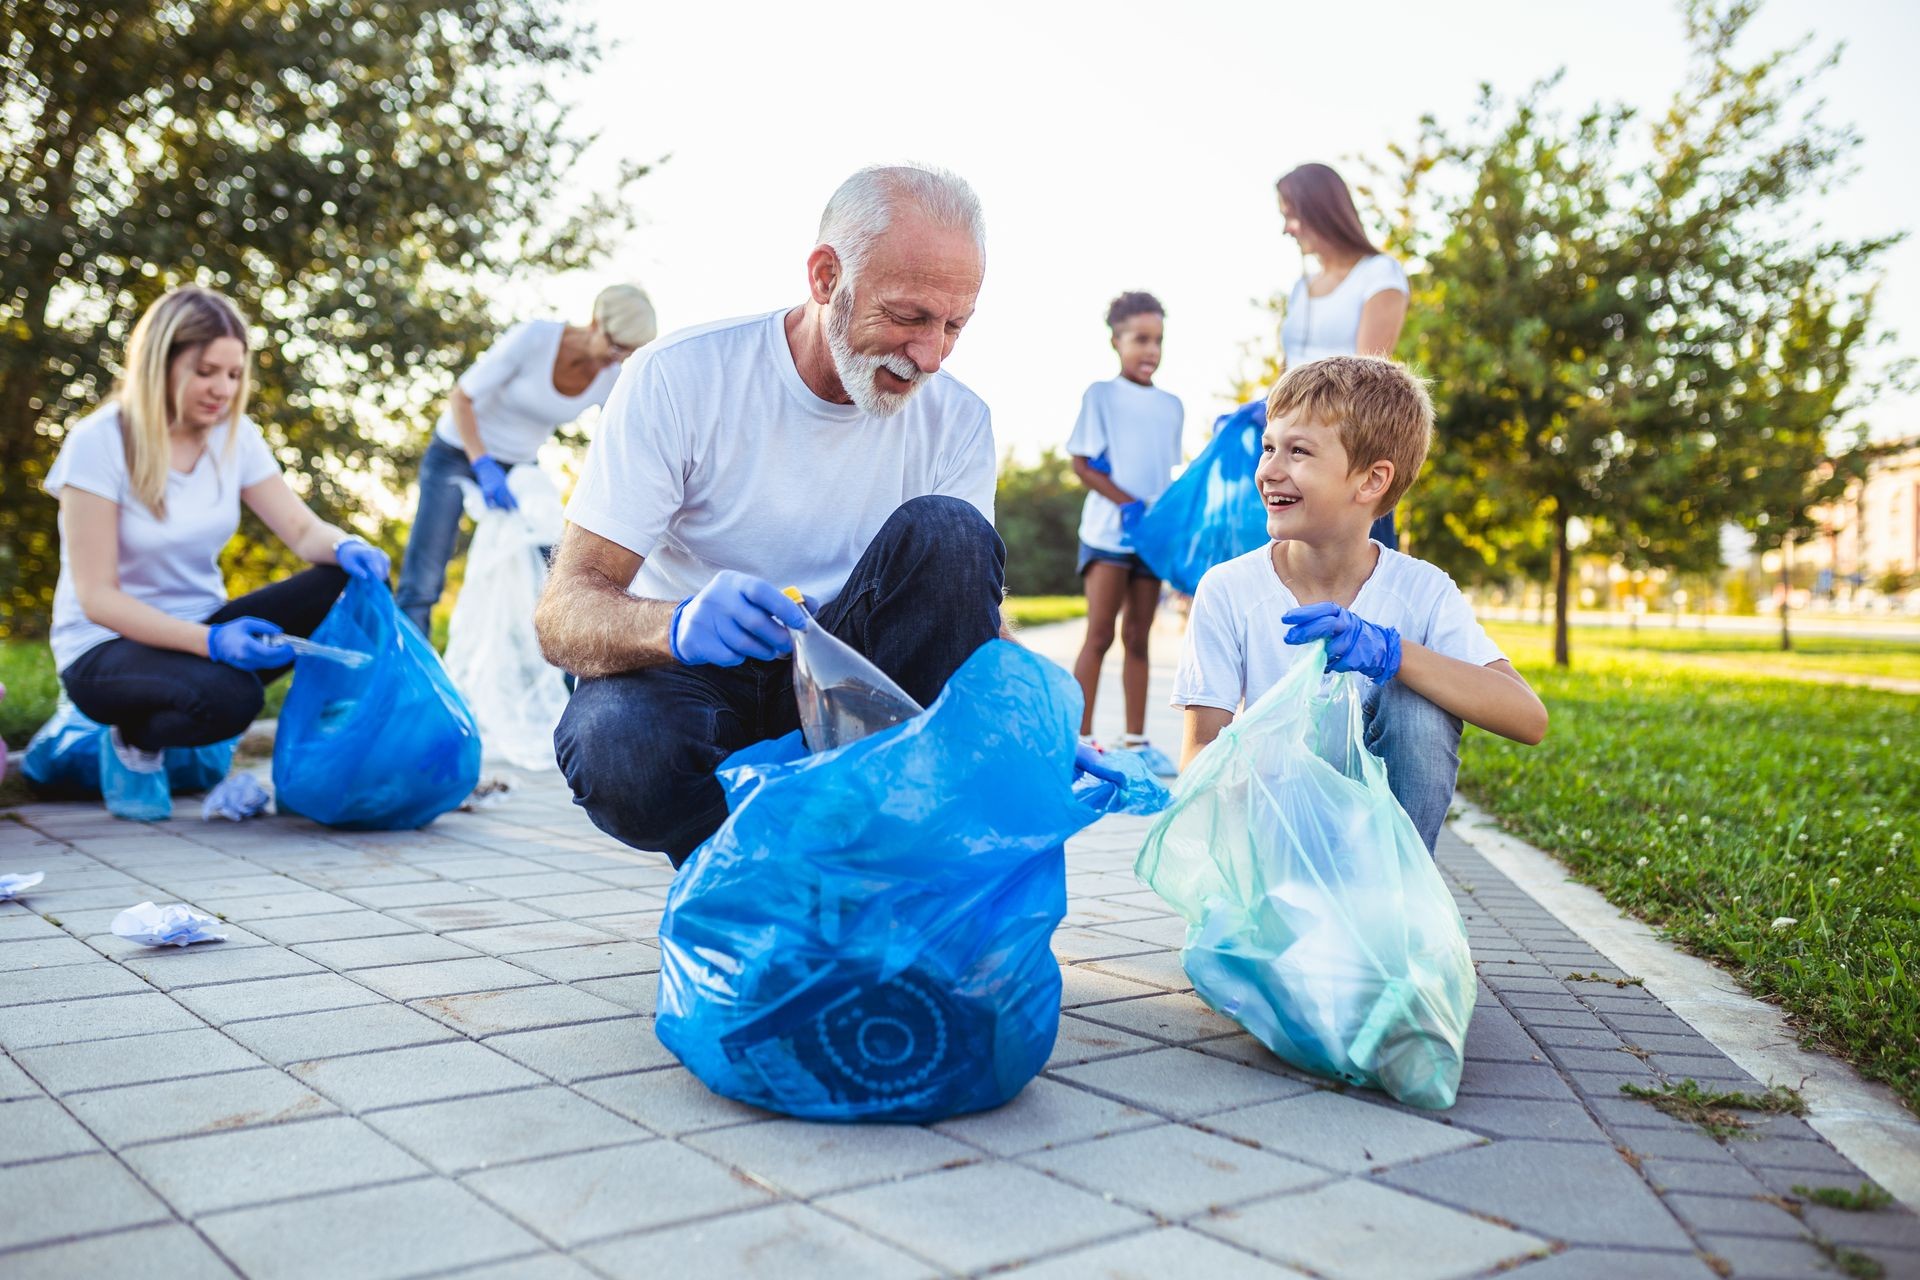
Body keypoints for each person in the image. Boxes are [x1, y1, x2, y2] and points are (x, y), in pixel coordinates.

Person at [537, 164, 1120, 867]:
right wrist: (677, 625)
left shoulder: (958, 420)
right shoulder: (680, 377)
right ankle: (757, 877)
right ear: (824, 278)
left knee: (953, 533)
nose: (928, 355)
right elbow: (564, 612)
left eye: (954, 326)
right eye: (907, 317)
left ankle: (841, 867)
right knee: (615, 744)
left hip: (855, 688)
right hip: (693, 684)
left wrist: (1040, 717)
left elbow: (967, 612)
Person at [44, 285, 392, 822]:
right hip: (107, 647)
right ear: (161, 362)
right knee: (233, 700)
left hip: (201, 626)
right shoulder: (98, 442)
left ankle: (340, 724)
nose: (223, 389)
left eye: (233, 374)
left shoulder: (236, 435)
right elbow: (97, 598)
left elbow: (300, 529)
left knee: (344, 580)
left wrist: (345, 544)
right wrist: (210, 643)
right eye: (206, 371)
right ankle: (133, 743)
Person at [1172, 356, 1546, 852]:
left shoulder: (1422, 591)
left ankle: (1393, 907)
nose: (1269, 471)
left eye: (1298, 452)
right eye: (1268, 447)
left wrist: (1394, 654)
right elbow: (1201, 749)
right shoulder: (1228, 589)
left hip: (1382, 854)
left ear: (1371, 481)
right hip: (1274, 834)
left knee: (1417, 704)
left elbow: (1528, 718)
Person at [395, 284, 657, 635]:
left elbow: (618, 438)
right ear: (596, 321)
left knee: (555, 569)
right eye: (616, 345)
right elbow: (462, 398)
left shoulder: (610, 376)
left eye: (628, 352)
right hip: (457, 452)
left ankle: (564, 672)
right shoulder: (535, 339)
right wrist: (483, 464)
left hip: (519, 468)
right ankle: (409, 678)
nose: (618, 357)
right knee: (424, 576)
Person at [1067, 291, 1183, 777]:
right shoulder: (1101, 395)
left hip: (1149, 542)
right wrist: (1126, 503)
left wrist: (1161, 520)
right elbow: (1081, 463)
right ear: (1116, 341)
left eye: (1157, 340)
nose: (1150, 350)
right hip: (1109, 536)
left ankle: (1136, 741)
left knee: (1139, 638)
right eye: (1140, 339)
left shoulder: (1172, 405)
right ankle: (1078, 740)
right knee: (1099, 635)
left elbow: (1167, 475)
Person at [1277, 163, 1411, 549]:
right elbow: (1288, 370)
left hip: (1346, 450)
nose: (1286, 228)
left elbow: (1370, 376)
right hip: (1294, 447)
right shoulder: (1301, 289)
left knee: (1356, 567)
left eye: (1291, 215)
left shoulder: (1379, 274)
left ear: (1319, 210)